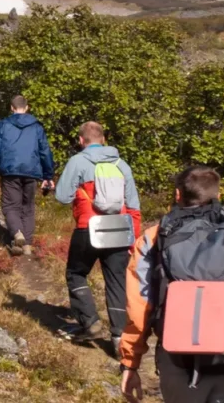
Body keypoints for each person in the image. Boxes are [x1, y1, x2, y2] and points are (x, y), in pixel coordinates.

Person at [119, 165, 224, 403]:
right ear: (218, 196)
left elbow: (139, 308)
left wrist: (130, 363)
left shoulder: (152, 239)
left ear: (178, 195)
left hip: (178, 365)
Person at [54, 121, 142, 349]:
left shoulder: (78, 161)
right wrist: (134, 239)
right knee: (116, 282)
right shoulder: (122, 165)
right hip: (121, 229)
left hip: (88, 227)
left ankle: (90, 321)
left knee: (76, 273)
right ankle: (120, 340)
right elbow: (133, 206)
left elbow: (62, 196)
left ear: (81, 141)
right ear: (104, 139)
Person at [0, 95, 55, 256]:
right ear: (27, 107)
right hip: (31, 171)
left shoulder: (3, 125)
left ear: (11, 107)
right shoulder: (37, 126)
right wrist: (48, 175)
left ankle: (17, 233)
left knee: (11, 206)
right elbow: (45, 151)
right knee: (28, 208)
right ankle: (27, 246)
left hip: (10, 170)